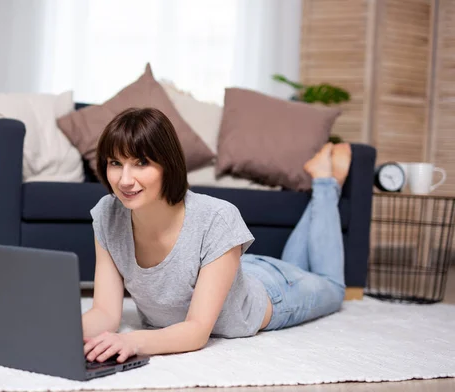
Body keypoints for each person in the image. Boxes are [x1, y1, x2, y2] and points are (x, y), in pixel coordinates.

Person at [82, 107, 351, 364]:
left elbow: (197, 330)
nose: (125, 180)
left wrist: (133, 341)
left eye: (141, 163)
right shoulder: (108, 214)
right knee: (299, 266)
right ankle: (324, 186)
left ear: (168, 164)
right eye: (115, 163)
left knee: (333, 287)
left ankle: (326, 184)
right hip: (232, 271)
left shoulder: (217, 217)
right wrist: (57, 330)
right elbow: (105, 313)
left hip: (275, 291)